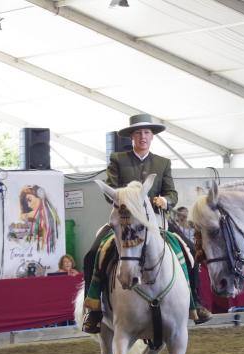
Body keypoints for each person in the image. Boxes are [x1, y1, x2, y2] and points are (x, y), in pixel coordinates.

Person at [81, 113, 211, 333]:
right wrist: (127, 198)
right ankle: (93, 309)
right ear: (132, 136)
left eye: (147, 133)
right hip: (124, 223)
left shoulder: (162, 163)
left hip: (156, 223)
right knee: (93, 253)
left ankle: (195, 302)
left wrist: (165, 200)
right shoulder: (118, 159)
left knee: (189, 251)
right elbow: (109, 192)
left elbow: (172, 193)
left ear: (152, 137)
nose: (143, 136)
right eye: (139, 133)